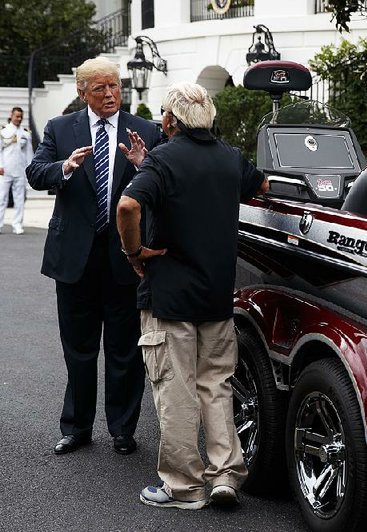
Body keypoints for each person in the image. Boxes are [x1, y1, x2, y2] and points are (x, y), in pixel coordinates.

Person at [117, 81, 268, 510]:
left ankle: (183, 487)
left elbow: (128, 207)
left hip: (170, 298)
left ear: (168, 120)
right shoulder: (229, 159)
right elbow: (260, 187)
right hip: (217, 295)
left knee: (176, 391)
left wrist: (133, 252)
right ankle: (225, 476)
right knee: (217, 387)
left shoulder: (163, 161)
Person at [26, 57, 160, 456]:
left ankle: (122, 429)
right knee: (79, 349)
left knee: (124, 350)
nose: (110, 94)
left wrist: (145, 164)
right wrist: (63, 168)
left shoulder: (146, 130)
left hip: (125, 257)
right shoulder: (60, 128)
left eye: (115, 86)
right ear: (82, 93)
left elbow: (168, 181)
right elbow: (36, 172)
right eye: (100, 88)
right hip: (75, 259)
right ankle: (77, 427)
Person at [0, 107, 34, 234]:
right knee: (1, 198)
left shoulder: (26, 133)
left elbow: (29, 152)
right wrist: (0, 166)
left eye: (21, 117)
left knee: (19, 198)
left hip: (20, 170)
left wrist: (30, 168)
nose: (19, 119)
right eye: (17, 116)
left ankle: (17, 224)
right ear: (11, 115)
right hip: (6, 169)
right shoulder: (4, 131)